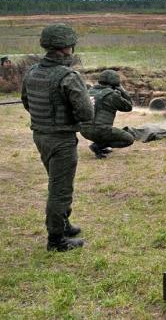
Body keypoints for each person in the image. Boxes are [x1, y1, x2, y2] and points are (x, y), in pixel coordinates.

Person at [21, 24, 93, 252]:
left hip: (40, 135)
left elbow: (26, 102)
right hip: (61, 139)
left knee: (57, 183)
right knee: (60, 190)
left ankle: (63, 224)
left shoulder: (32, 71)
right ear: (67, 47)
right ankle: (56, 240)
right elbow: (86, 113)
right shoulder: (68, 76)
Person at [80, 69, 134, 159]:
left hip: (84, 130)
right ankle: (98, 146)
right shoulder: (112, 95)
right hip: (101, 131)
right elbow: (129, 107)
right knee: (129, 139)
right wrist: (123, 91)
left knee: (102, 130)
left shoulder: (88, 92)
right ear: (115, 83)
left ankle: (99, 145)